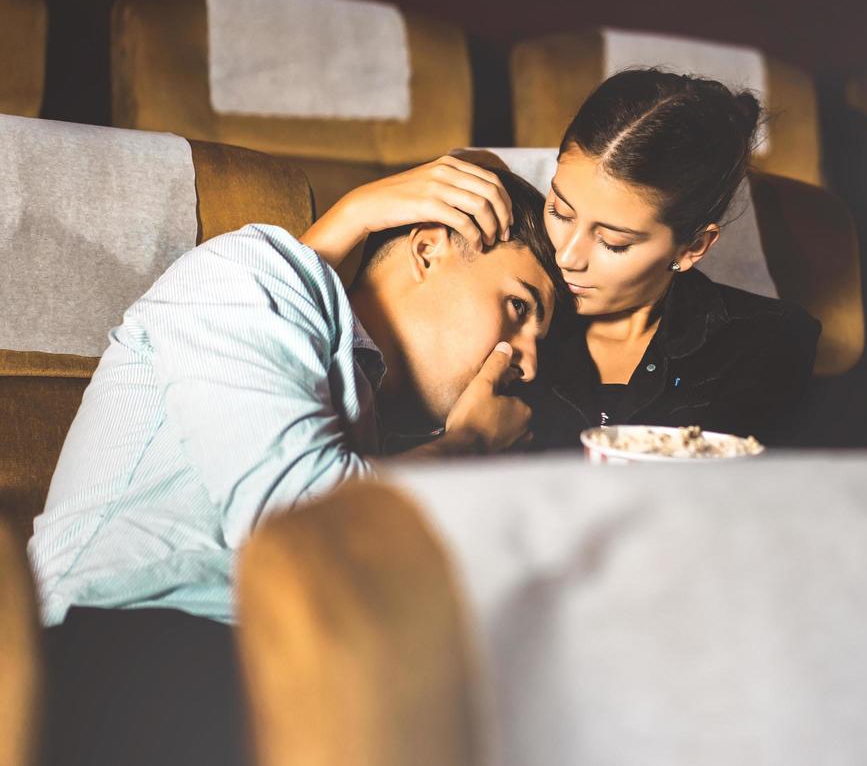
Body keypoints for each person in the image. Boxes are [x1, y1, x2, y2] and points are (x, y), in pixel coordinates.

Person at [30, 162, 559, 766]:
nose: (528, 363)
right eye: (519, 308)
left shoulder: (386, 432)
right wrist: (469, 444)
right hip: (119, 646)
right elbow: (292, 521)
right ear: (428, 250)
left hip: (271, 674)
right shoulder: (249, 271)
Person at [315, 69, 822, 450]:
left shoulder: (764, 344)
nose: (568, 256)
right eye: (560, 209)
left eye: (613, 242)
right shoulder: (500, 315)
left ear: (691, 248)